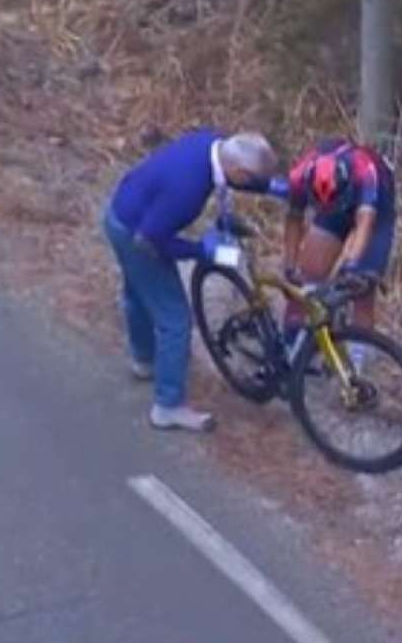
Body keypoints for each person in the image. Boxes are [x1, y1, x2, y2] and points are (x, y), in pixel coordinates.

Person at [103, 129, 279, 432]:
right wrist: (200, 251)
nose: (252, 185)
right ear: (239, 172)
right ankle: (167, 406)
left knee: (139, 293)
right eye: (253, 181)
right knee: (175, 321)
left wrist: (277, 188)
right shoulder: (188, 187)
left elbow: (241, 177)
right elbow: (149, 240)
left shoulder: (214, 144)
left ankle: (144, 360)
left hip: (121, 210)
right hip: (136, 235)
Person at [276, 136, 397, 370]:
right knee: (306, 277)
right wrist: (290, 265)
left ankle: (355, 365)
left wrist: (352, 266)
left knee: (362, 287)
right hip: (333, 205)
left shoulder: (366, 173)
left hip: (376, 206)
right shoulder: (300, 175)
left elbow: (365, 224)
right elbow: (294, 218)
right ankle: (290, 348)